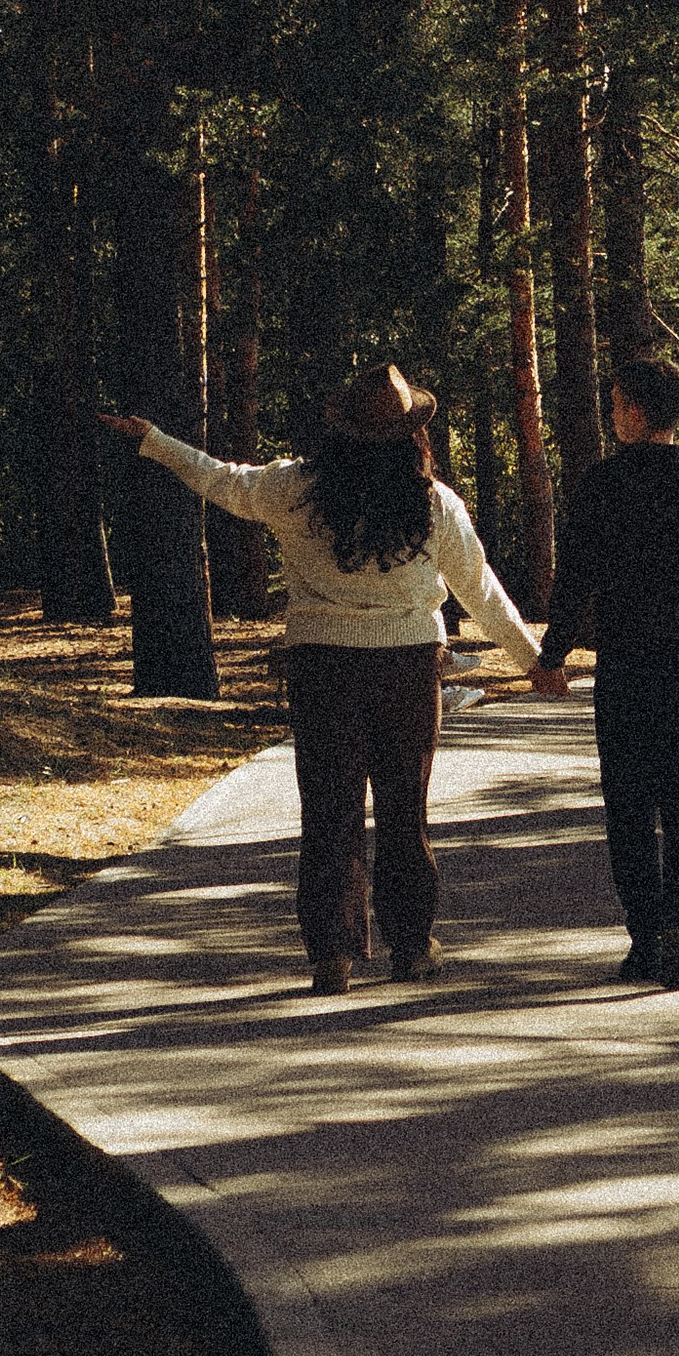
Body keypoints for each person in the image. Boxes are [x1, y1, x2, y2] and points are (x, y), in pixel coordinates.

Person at [101, 363, 543, 995]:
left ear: (339, 430)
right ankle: (412, 946)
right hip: (407, 667)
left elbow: (220, 480)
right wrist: (535, 662)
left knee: (329, 810)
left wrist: (154, 440)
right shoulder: (433, 504)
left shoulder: (296, 490)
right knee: (403, 809)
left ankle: (331, 956)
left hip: (322, 668)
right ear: (411, 435)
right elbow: (482, 591)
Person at [531, 353, 679, 992]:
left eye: (615, 402)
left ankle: (644, 933)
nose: (610, 413)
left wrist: (553, 655)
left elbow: (574, 583)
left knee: (627, 803)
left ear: (632, 409)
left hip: (625, 668)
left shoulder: (600, 486)